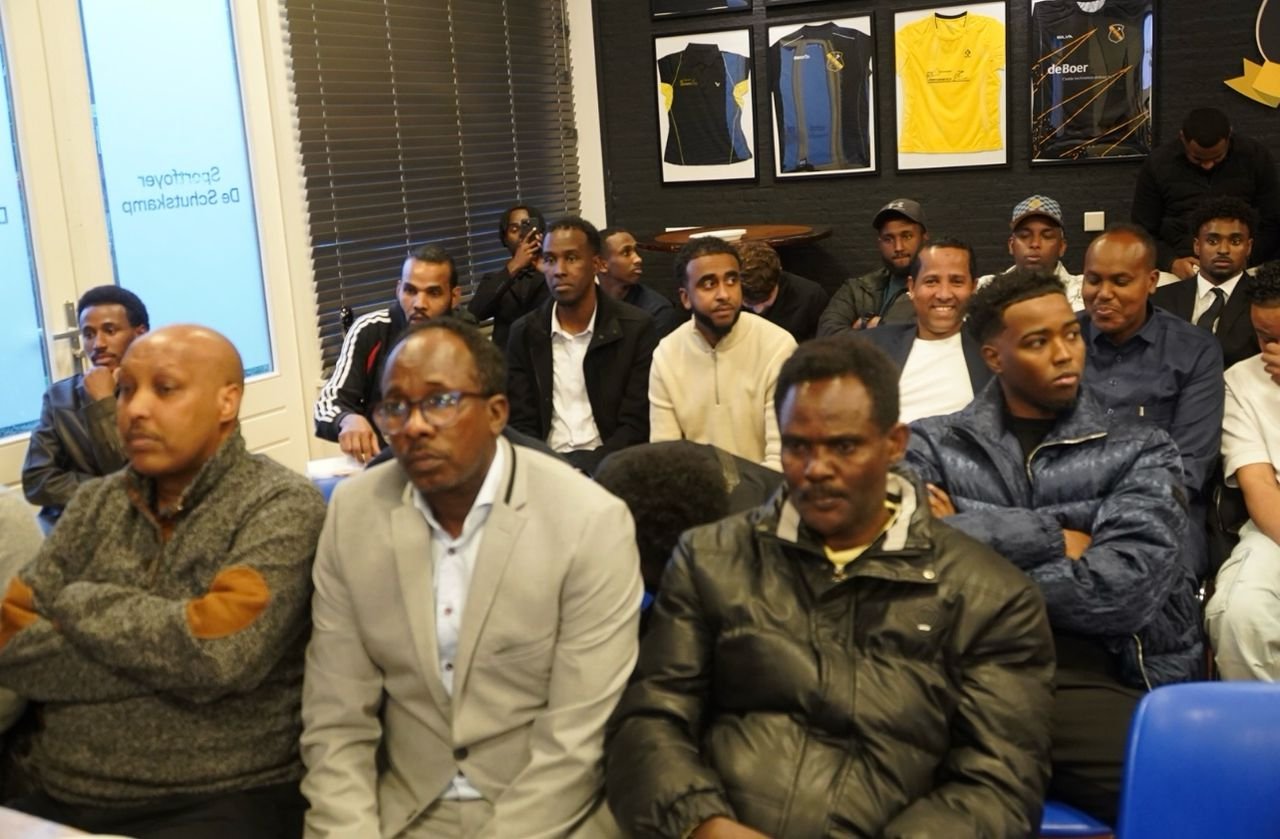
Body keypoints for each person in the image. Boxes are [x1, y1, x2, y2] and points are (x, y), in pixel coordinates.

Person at [607, 335, 1055, 838]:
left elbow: (999, 783)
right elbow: (649, 719)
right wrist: (703, 825)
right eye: (798, 447)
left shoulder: (992, 597)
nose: (817, 469)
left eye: (844, 446)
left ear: (894, 444)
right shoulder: (712, 556)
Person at [301, 319, 641, 838]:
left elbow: (577, 739)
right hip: (405, 811)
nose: (414, 426)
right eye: (395, 407)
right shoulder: (354, 513)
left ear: (496, 413)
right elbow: (336, 719)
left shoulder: (588, 520)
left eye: (440, 402)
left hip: (550, 814)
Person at [0, 325, 326, 839]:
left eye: (165, 389)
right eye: (125, 390)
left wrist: (82, 604)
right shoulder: (95, 504)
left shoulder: (278, 505)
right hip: (58, 788)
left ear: (227, 402)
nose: (134, 410)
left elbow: (218, 656)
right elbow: (10, 642)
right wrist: (174, 655)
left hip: (218, 797)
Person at [906, 271, 1201, 823]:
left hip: (1083, 673)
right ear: (994, 357)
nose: (1065, 353)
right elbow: (903, 560)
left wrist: (961, 531)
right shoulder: (931, 444)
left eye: (1070, 334)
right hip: (955, 670)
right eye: (1038, 342)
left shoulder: (1140, 450)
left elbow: (1122, 591)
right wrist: (1049, 537)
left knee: (1196, 800)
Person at [1080, 224, 1225, 578]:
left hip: (1163, 514)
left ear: (1152, 281)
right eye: (1093, 280)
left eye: (1121, 281)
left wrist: (1106, 524)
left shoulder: (1195, 351)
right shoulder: (1060, 340)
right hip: (1064, 508)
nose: (1103, 294)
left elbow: (1188, 469)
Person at [505, 217, 656, 473]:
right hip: (547, 469)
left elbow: (636, 424)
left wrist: (593, 468)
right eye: (550, 260)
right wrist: (553, 470)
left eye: (571, 258)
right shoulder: (524, 333)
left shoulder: (636, 328)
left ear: (596, 264)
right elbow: (521, 423)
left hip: (614, 468)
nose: (559, 270)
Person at [314, 244, 472, 463]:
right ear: (398, 290)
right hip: (382, 462)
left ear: (454, 297)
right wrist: (347, 419)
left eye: (433, 293)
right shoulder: (370, 331)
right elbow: (329, 402)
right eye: (410, 291)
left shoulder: (467, 342)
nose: (419, 303)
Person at [649, 237, 797, 470]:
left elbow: (782, 457)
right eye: (709, 284)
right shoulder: (667, 354)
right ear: (686, 298)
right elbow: (665, 456)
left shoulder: (777, 346)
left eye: (731, 280)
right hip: (697, 489)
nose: (724, 294)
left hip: (767, 488)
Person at [1205, 263, 1280, 680]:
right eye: (1265, 336)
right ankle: (1262, 718)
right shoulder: (1239, 381)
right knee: (1238, 614)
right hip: (1274, 527)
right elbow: (1260, 489)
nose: (1273, 348)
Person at [21, 285, 148, 527]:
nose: (98, 344)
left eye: (110, 331)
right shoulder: (60, 397)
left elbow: (138, 479)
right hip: (77, 523)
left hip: (140, 525)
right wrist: (111, 492)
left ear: (139, 333)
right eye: (88, 334)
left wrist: (103, 402)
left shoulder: (160, 395)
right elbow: (37, 480)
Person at [1130, 107, 1280, 276]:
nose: (1207, 165)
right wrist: (1170, 262)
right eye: (1197, 158)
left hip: (1247, 262)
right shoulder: (1158, 164)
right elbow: (1142, 231)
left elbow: (1272, 223)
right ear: (1182, 138)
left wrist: (1247, 259)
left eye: (1216, 158)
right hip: (1181, 265)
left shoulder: (1255, 157)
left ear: (1229, 136)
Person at [862, 237, 991, 423]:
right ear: (912, 287)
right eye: (931, 281)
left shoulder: (994, 352)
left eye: (956, 282)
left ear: (973, 288)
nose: (944, 294)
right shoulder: (871, 347)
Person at [1153, 195, 1262, 369]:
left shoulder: (1263, 301)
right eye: (1212, 241)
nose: (1223, 250)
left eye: (1235, 241)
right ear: (1197, 246)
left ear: (1248, 247)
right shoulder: (1159, 300)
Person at [817, 198, 928, 335]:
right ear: (879, 243)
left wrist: (868, 325)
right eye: (888, 239)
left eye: (907, 236)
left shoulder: (938, 288)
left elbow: (922, 333)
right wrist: (879, 329)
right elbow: (827, 334)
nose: (898, 247)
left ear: (924, 237)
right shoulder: (858, 288)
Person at [977, 195, 1084, 310]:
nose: (1035, 244)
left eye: (1047, 236)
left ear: (1061, 247)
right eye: (1024, 236)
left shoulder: (1084, 289)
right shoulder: (984, 288)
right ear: (1011, 245)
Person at [467, 204, 549, 349]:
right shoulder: (495, 279)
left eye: (527, 227)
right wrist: (514, 266)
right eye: (514, 229)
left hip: (548, 353)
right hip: (507, 357)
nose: (522, 234)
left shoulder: (554, 274)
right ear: (504, 238)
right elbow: (475, 313)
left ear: (540, 232)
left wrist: (548, 270)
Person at [597, 227, 685, 337]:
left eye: (636, 251)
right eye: (626, 253)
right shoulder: (588, 308)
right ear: (602, 265)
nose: (638, 259)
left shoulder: (658, 311)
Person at [735, 240, 828, 342]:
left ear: (778, 276)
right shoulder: (725, 300)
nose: (759, 310)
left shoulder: (811, 298)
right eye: (748, 303)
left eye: (766, 300)